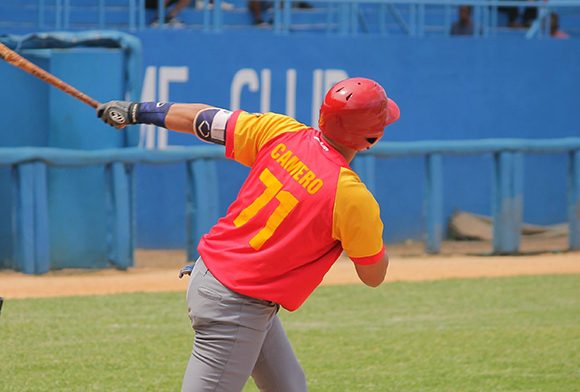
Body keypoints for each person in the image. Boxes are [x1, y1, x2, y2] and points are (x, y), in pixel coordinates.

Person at [96, 77, 400, 391]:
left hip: (222, 281)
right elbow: (373, 275)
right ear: (371, 137)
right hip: (235, 303)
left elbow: (201, 119)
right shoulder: (351, 196)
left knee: (289, 386)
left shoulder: (281, 131)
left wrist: (136, 111)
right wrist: (368, 233)